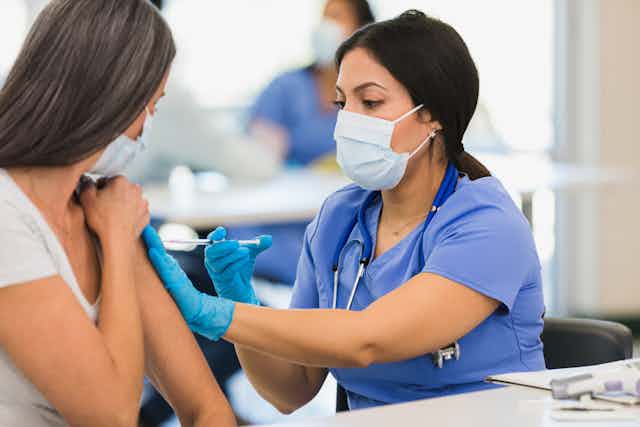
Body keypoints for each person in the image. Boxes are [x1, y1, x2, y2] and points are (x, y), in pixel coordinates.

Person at [144, 10, 546, 412]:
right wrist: (241, 299)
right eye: (342, 103)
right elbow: (291, 389)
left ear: (433, 116)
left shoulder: (488, 225)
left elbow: (368, 339)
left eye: (370, 102)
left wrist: (221, 314)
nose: (349, 120)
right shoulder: (339, 219)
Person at [0, 1, 234, 425]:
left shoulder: (99, 207)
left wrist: (114, 234)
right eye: (151, 107)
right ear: (111, 96)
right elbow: (111, 416)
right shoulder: (10, 217)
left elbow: (206, 406)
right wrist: (116, 242)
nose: (146, 127)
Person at [236, 0, 376, 285]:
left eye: (336, 17)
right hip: (281, 217)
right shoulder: (286, 88)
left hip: (346, 215)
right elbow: (254, 158)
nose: (325, 27)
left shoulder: (377, 95)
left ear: (362, 30)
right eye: (323, 17)